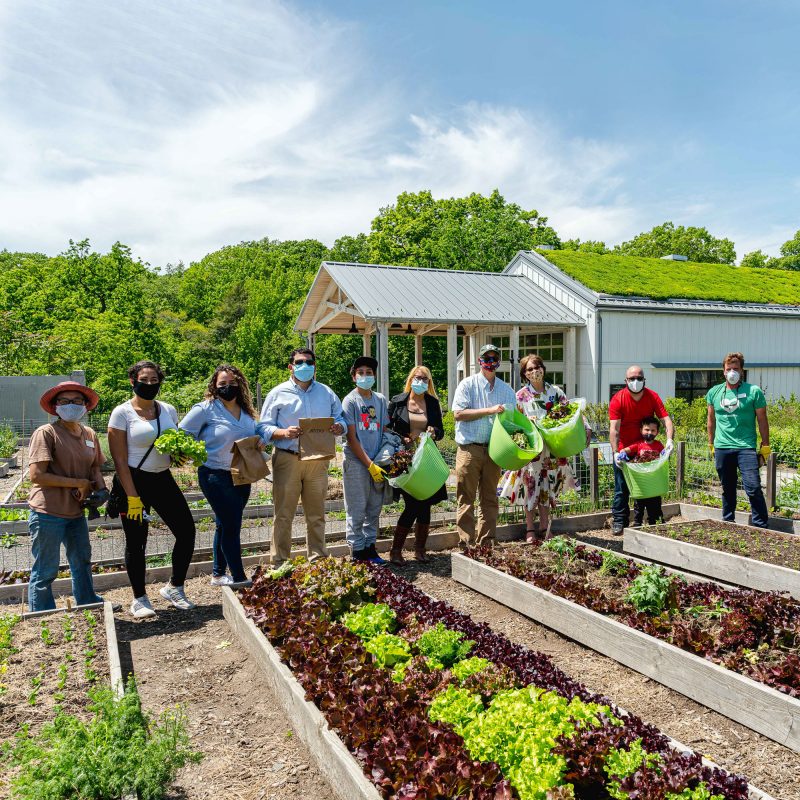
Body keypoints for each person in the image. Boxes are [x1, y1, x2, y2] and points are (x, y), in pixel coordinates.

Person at [108, 361, 197, 618]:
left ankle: (175, 587)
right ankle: (140, 598)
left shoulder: (168, 409)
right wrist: (132, 497)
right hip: (132, 481)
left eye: (154, 380)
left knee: (186, 531)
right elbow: (120, 460)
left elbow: (173, 443)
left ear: (160, 381)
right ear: (132, 381)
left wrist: (179, 456)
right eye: (143, 379)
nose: (149, 384)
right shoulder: (121, 413)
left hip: (162, 479)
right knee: (137, 541)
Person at [259, 347, 346, 565]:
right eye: (299, 362)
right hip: (288, 458)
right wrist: (282, 432)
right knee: (284, 515)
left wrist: (339, 427)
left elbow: (342, 419)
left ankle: (318, 559)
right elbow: (263, 427)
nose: (304, 366)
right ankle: (280, 562)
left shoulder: (326, 393)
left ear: (315, 366)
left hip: (318, 460)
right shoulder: (277, 393)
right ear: (291, 367)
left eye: (309, 362)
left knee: (316, 515)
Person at [180, 364, 264, 588]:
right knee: (231, 524)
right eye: (222, 384)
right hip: (214, 475)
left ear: (240, 385)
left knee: (224, 524)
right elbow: (182, 433)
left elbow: (255, 434)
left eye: (232, 383)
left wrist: (260, 441)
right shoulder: (206, 409)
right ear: (214, 387)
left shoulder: (247, 412)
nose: (228, 387)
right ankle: (238, 577)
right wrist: (195, 453)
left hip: (241, 474)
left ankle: (218, 574)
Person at [27, 382, 106, 612]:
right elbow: (37, 475)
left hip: (75, 511)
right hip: (48, 512)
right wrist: (78, 483)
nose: (71, 405)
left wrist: (101, 491)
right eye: (64, 401)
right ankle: (42, 614)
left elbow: (94, 469)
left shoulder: (89, 434)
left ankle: (88, 602)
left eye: (77, 401)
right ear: (55, 406)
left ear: (85, 406)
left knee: (81, 561)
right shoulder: (47, 433)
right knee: (46, 569)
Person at [499, 354, 586, 542]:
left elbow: (570, 413)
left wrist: (584, 430)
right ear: (525, 374)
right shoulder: (520, 396)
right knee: (530, 485)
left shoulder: (556, 392)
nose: (534, 372)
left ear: (543, 368)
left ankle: (545, 526)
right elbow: (515, 423)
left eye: (537, 367)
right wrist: (526, 421)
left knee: (546, 486)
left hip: (553, 447)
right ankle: (530, 528)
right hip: (532, 449)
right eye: (529, 369)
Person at [452, 343, 517, 547]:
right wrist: (489, 410)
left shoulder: (507, 391)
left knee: (490, 498)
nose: (490, 363)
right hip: (469, 449)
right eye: (486, 359)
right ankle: (466, 542)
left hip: (494, 450)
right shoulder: (467, 385)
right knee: (466, 497)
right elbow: (458, 414)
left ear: (498, 362)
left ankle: (487, 541)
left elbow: (513, 422)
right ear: (479, 361)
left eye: (494, 359)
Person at [387, 365, 447, 564]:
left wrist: (433, 432)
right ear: (410, 379)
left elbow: (440, 431)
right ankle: (396, 550)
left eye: (424, 379)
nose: (420, 382)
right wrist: (401, 438)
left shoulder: (432, 403)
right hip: (404, 461)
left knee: (425, 504)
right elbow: (387, 429)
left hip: (425, 461)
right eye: (417, 378)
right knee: (412, 504)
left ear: (428, 383)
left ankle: (420, 550)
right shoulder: (397, 402)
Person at [706, 352, 770, 528]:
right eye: (729, 369)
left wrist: (765, 446)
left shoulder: (754, 392)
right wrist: (711, 443)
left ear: (742, 370)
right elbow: (711, 420)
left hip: (746, 447)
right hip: (722, 447)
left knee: (753, 487)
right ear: (723, 371)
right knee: (727, 488)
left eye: (736, 368)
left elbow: (762, 420)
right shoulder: (714, 393)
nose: (732, 372)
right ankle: (728, 521)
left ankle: (760, 525)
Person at [610, 366, 674, 535]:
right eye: (631, 378)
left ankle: (652, 519)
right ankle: (619, 520)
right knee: (621, 487)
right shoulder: (618, 399)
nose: (635, 381)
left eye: (639, 378)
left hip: (647, 451)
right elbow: (614, 429)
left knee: (649, 487)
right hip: (625, 449)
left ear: (644, 380)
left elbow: (666, 420)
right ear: (626, 381)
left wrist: (669, 441)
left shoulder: (652, 397)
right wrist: (616, 451)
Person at [341, 356, 390, 563]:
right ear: (354, 377)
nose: (365, 376)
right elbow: (351, 438)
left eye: (369, 372)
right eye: (360, 372)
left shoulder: (379, 400)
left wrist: (382, 458)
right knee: (357, 508)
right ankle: (357, 551)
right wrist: (369, 465)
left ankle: (370, 547)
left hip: (376, 461)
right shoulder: (350, 401)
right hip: (357, 462)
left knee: (373, 508)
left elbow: (384, 428)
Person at [617, 416, 665, 526]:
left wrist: (665, 453)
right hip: (641, 481)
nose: (650, 432)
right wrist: (622, 453)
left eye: (653, 430)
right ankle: (637, 524)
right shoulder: (639, 445)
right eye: (647, 430)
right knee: (639, 504)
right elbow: (627, 449)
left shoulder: (659, 445)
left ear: (657, 432)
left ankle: (656, 523)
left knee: (655, 503)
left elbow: (664, 454)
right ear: (641, 430)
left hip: (654, 481)